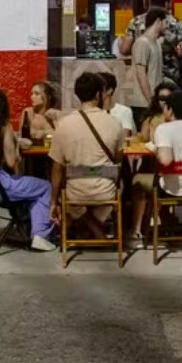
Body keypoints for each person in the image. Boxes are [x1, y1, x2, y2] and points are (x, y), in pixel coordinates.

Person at [0, 88, 56, 251]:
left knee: (30, 189)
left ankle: (24, 225)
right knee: (45, 187)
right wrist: (15, 145)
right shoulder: (3, 127)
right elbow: (12, 162)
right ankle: (40, 235)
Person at [130, 90, 182, 248]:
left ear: (170, 110)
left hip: (172, 188)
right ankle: (169, 224)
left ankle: (142, 229)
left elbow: (166, 160)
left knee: (140, 181)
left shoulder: (164, 129)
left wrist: (155, 150)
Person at [49, 72, 125, 238]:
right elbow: (118, 160)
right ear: (99, 94)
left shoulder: (64, 124)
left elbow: (57, 167)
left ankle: (86, 227)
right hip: (106, 191)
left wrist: (53, 201)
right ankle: (94, 229)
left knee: (67, 192)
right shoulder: (115, 123)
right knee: (122, 185)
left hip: (75, 192)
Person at [119, 0, 182, 87]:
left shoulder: (136, 21)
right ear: (166, 3)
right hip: (168, 75)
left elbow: (124, 49)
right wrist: (172, 52)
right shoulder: (175, 23)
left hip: (143, 75)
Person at [131, 7, 168, 126]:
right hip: (143, 103)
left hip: (154, 102)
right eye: (165, 22)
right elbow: (141, 73)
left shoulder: (156, 43)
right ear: (158, 21)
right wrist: (150, 101)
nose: (167, 26)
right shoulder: (142, 43)